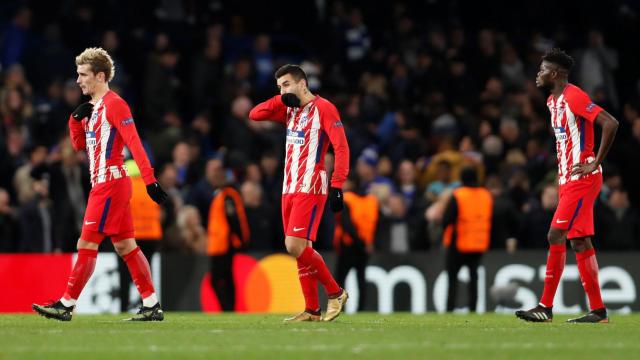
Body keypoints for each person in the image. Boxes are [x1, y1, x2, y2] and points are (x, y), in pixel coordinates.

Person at [32, 47, 168, 321]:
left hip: (110, 185)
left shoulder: (116, 104)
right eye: (78, 75)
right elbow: (80, 146)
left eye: (83, 75)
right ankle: (152, 304)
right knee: (126, 246)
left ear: (100, 76)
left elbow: (135, 143)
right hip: (104, 185)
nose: (78, 80)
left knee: (87, 242)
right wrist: (75, 120)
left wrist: (150, 181)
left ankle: (66, 304)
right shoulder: (93, 110)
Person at [515, 48, 618, 323]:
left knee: (555, 234)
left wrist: (595, 162)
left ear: (556, 73)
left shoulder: (574, 96)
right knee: (580, 241)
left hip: (581, 179)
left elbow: (610, 123)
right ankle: (598, 311)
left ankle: (545, 307)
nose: (538, 73)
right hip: (566, 179)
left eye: (543, 69)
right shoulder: (552, 101)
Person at [249, 64, 349, 322]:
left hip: (311, 185)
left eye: (286, 85)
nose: (282, 91)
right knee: (302, 248)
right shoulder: (289, 108)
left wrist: (338, 185)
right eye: (279, 87)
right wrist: (281, 99)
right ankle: (312, 310)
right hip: (289, 186)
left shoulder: (325, 108)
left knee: (293, 245)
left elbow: (341, 148)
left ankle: (335, 292)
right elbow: (255, 114)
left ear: (302, 84)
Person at [441, 167, 493, 312]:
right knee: (474, 278)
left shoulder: (459, 195)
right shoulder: (486, 195)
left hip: (458, 243)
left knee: (452, 279)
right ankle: (473, 308)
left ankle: (450, 308)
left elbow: (447, 219)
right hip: (478, 244)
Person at [206, 157, 250, 311]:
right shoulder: (222, 194)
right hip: (218, 244)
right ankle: (229, 308)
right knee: (225, 277)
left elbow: (233, 220)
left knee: (219, 278)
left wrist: (239, 240)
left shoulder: (227, 195)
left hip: (224, 244)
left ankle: (227, 308)